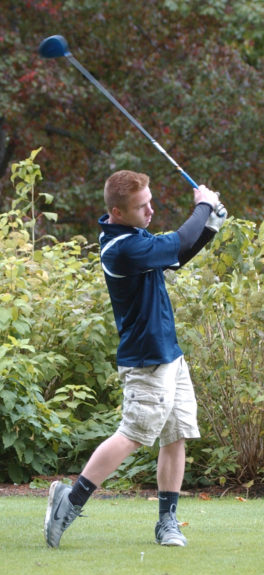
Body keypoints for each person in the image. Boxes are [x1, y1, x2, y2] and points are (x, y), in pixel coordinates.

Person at [44, 170, 227, 548]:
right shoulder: (123, 248)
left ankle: (167, 522)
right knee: (133, 434)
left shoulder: (133, 236)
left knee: (175, 434)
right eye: (141, 206)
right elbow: (177, 244)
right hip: (146, 359)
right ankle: (69, 501)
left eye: (149, 201)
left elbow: (175, 258)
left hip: (169, 355)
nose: (150, 210)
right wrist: (204, 205)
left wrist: (208, 227)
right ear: (117, 211)